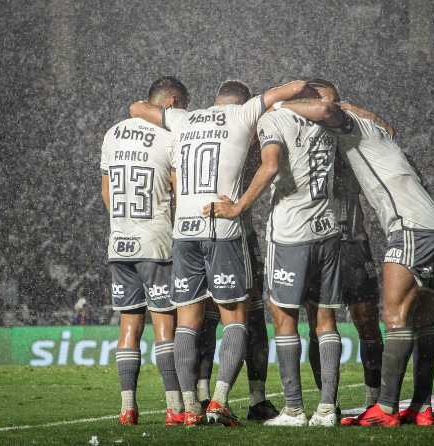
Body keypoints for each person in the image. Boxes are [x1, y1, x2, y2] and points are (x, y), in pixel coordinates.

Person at [130, 79, 308, 427]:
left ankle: (189, 408)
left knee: (188, 324)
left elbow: (137, 107)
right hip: (223, 228)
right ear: (244, 103)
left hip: (184, 231)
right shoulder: (243, 115)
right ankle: (221, 403)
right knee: (238, 317)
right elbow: (295, 87)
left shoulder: (185, 119)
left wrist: (174, 112)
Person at [277, 92, 434, 427]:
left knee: (395, 316)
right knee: (422, 318)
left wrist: (278, 105)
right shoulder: (372, 130)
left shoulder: (350, 123)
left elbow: (330, 110)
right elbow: (374, 122)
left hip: (411, 224)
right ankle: (421, 407)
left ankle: (385, 409)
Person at [203, 85, 343, 427]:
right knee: (324, 321)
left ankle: (294, 409)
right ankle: (328, 409)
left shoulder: (276, 118)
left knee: (285, 320)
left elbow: (269, 167)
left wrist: (238, 207)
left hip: (292, 231)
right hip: (328, 227)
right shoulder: (333, 122)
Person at [100, 76, 189, 426]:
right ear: (170, 102)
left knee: (129, 325)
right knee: (164, 323)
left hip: (119, 241)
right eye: (182, 105)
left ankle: (127, 408)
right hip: (156, 240)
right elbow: (180, 194)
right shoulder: (169, 135)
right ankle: (173, 408)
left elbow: (107, 192)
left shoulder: (112, 133)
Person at [304, 80, 391, 409]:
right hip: (313, 241)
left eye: (338, 102)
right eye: (330, 101)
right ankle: (328, 403)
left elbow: (387, 132)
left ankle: (374, 401)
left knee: (367, 319)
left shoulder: (351, 133)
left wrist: (348, 109)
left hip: (353, 242)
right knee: (318, 325)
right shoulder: (297, 131)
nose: (334, 107)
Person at [195, 136, 279, 421]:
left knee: (243, 318)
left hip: (225, 238)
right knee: (219, 319)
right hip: (222, 238)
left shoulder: (210, 142)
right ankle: (210, 397)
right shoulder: (233, 140)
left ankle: (248, 399)